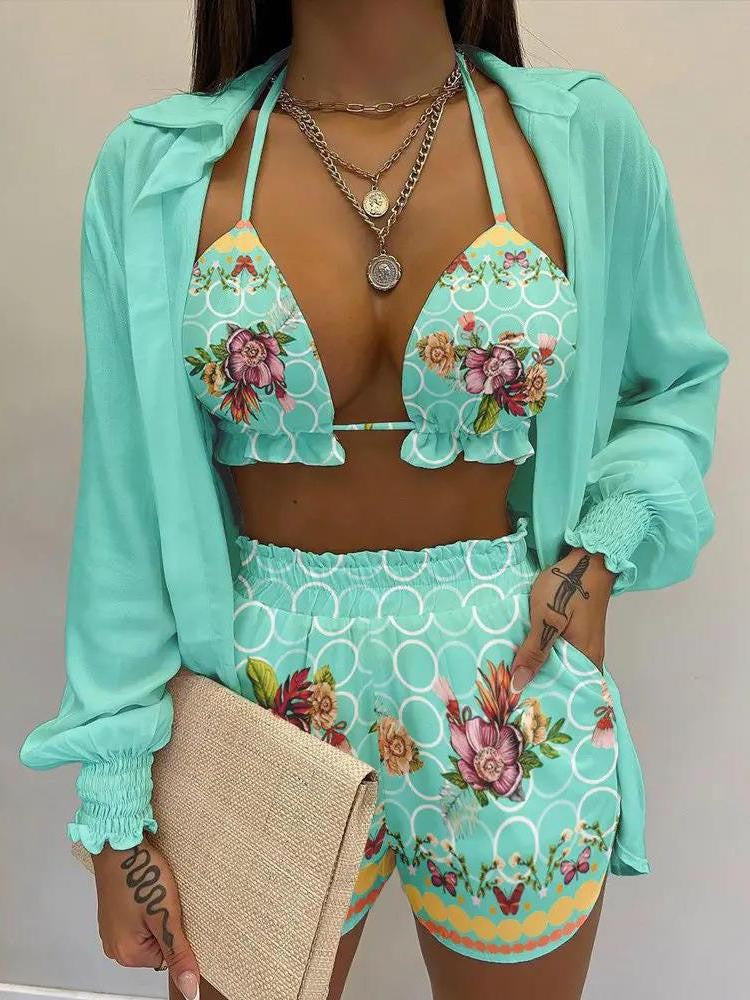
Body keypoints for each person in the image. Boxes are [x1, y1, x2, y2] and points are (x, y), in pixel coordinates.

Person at [19, 2, 729, 998]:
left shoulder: (579, 138)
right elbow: (124, 506)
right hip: (259, 695)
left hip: (510, 686)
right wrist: (115, 807)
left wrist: (599, 551)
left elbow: (671, 385)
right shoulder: (158, 174)